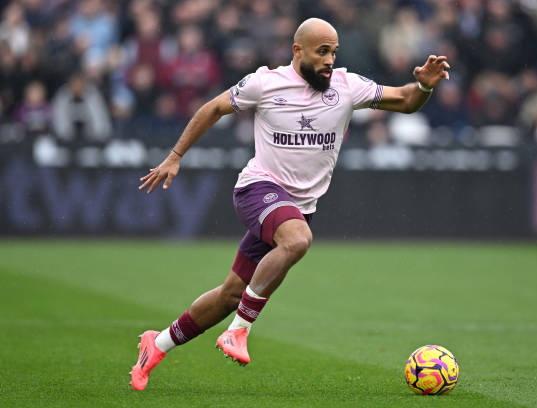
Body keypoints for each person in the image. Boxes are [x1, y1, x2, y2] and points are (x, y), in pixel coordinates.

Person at [131, 18, 450, 391]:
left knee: (231, 294)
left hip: (297, 208)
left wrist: (425, 86)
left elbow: (407, 101)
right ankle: (239, 330)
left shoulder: (347, 87)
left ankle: (158, 343)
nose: (329, 60)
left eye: (334, 52)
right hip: (258, 189)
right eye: (322, 51)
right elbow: (213, 108)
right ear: (297, 51)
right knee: (298, 240)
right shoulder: (265, 83)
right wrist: (175, 156)